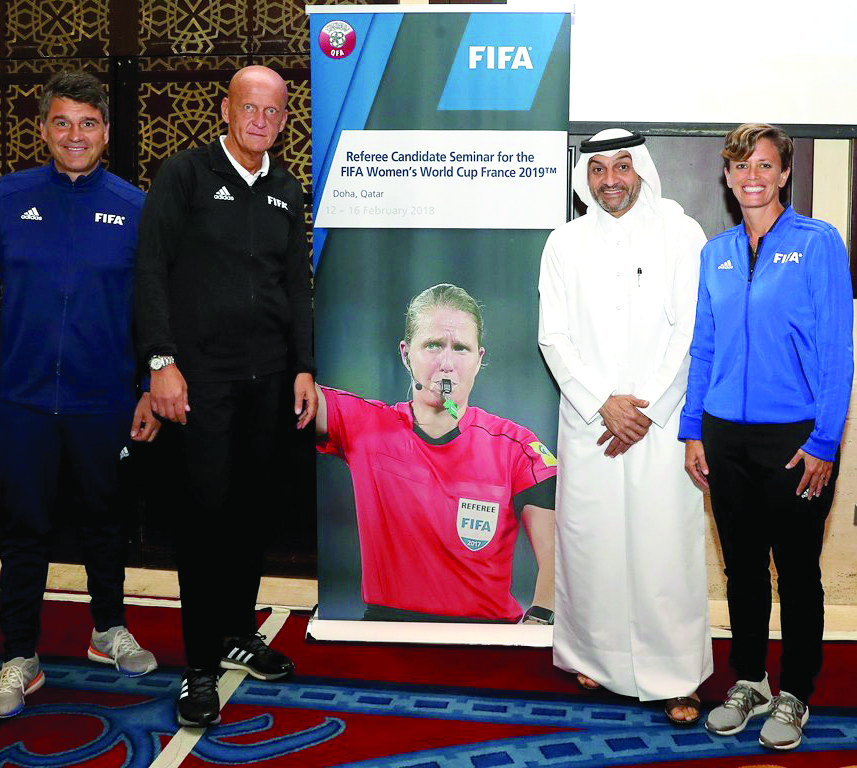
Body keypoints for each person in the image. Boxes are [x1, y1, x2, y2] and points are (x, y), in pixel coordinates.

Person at [0, 71, 159, 720]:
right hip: (18, 400)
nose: (76, 136)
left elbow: (154, 311)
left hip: (104, 401)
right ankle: (21, 656)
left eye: (89, 123)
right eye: (63, 123)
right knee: (23, 530)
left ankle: (108, 629)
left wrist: (151, 387)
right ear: (44, 129)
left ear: (107, 132)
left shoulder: (134, 206)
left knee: (106, 521)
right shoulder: (6, 199)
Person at [135, 65, 317, 728]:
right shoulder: (183, 176)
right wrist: (161, 362)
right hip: (199, 383)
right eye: (250, 108)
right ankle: (199, 668)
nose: (260, 121)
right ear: (226, 108)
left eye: (272, 111)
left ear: (282, 119)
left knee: (249, 516)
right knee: (204, 522)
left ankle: (239, 633)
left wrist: (302, 365)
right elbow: (149, 268)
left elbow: (295, 283)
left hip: (268, 381)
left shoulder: (286, 188)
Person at [680, 123, 853, 750]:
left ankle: (795, 693)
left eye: (763, 165)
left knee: (798, 571)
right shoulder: (715, 253)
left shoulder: (818, 244)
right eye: (739, 166)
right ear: (727, 177)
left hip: (797, 441)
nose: (751, 176)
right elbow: (704, 346)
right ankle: (749, 680)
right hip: (725, 437)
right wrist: (693, 428)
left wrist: (826, 442)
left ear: (784, 174)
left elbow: (837, 352)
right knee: (743, 569)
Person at [538, 128, 712, 725]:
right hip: (591, 422)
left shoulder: (681, 232)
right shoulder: (564, 242)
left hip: (660, 423)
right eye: (597, 170)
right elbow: (552, 335)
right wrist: (601, 403)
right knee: (593, 543)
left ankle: (676, 674)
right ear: (584, 177)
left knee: (664, 547)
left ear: (640, 169)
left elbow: (692, 330)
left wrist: (647, 408)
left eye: (621, 167)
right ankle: (595, 655)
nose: (610, 180)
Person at [315, 283, 556, 624]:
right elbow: (296, 396)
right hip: (387, 637)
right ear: (405, 354)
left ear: (479, 359)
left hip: (488, 643)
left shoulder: (516, 448)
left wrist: (539, 619)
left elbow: (560, 551)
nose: (446, 363)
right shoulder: (364, 424)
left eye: (460, 348)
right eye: (432, 345)